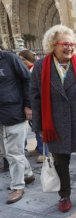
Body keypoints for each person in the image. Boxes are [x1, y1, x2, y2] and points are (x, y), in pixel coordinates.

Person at [30, 25, 76, 212]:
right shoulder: (41, 67)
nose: (70, 47)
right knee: (60, 161)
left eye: (73, 44)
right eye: (65, 44)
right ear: (53, 45)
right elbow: (35, 97)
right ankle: (64, 195)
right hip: (55, 123)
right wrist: (39, 125)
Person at [0, 48, 35, 204]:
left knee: (14, 153)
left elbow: (27, 80)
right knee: (8, 152)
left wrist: (28, 105)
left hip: (13, 112)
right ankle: (27, 174)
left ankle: (17, 187)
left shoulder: (10, 59)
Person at [18, 49, 48, 164]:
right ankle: (39, 148)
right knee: (35, 127)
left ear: (28, 59)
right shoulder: (26, 70)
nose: (20, 62)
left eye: (22, 59)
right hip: (33, 103)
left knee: (39, 127)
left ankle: (44, 152)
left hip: (38, 104)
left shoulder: (35, 70)